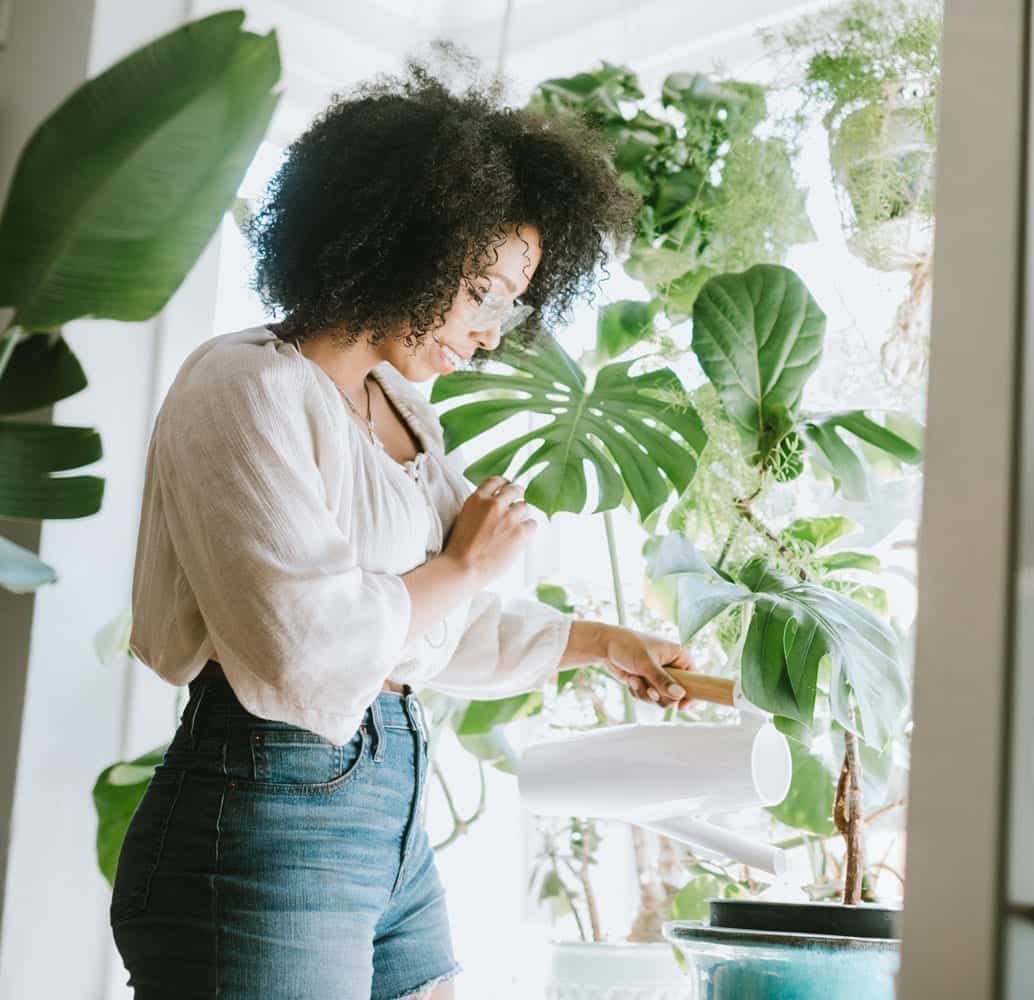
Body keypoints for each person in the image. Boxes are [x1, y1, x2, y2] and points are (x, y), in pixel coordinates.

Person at [110, 62, 695, 1000]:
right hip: (265, 806)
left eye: (512, 301)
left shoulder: (408, 416)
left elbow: (426, 629)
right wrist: (463, 564)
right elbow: (301, 649)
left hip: (389, 805)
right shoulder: (241, 385)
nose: (494, 331)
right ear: (400, 243)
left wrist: (598, 644)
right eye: (479, 292)